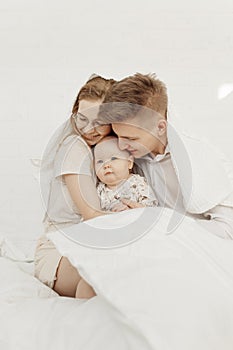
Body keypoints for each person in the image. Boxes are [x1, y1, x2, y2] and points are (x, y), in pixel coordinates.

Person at [98, 73, 233, 238]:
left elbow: (228, 227)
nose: (120, 145)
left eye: (131, 138)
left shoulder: (203, 158)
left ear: (161, 127)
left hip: (193, 248)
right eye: (118, 135)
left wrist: (159, 223)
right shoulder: (131, 156)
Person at [34, 74, 115, 299]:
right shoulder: (74, 148)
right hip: (58, 252)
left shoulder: (108, 152)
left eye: (99, 121)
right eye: (82, 119)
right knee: (98, 274)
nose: (89, 129)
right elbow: (91, 215)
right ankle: (83, 328)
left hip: (88, 244)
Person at [94, 136, 158, 212]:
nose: (106, 165)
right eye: (100, 161)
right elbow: (93, 213)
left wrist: (131, 208)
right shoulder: (99, 190)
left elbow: (151, 206)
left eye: (113, 158)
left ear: (129, 162)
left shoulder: (137, 182)